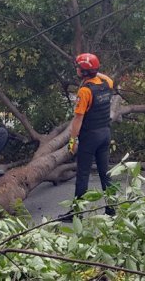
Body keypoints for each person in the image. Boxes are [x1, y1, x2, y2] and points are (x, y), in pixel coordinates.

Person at [62, 53, 115, 220]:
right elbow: (101, 75)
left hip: (90, 136)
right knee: (105, 173)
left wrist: (73, 140)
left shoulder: (85, 91)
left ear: (83, 72)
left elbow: (78, 119)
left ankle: (77, 214)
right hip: (105, 133)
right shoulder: (108, 82)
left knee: (83, 174)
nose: (76, 69)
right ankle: (111, 208)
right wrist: (93, 70)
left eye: (78, 67)